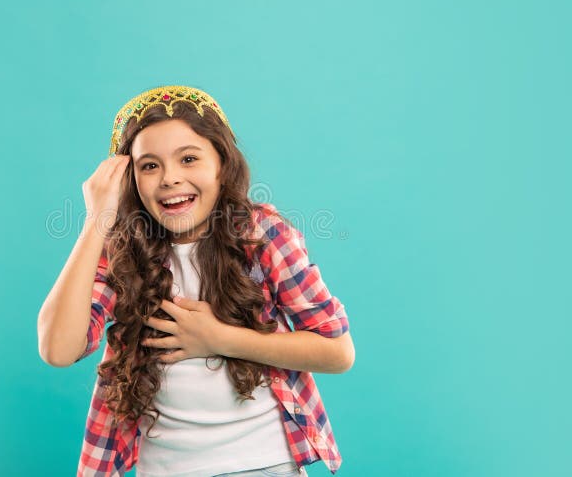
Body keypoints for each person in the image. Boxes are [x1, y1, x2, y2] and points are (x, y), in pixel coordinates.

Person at [37, 85, 355, 476]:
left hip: (266, 463)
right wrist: (96, 221)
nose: (170, 178)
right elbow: (57, 349)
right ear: (127, 179)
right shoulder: (121, 253)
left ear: (222, 164)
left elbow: (337, 352)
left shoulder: (262, 236)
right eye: (149, 166)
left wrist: (218, 338)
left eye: (188, 158)